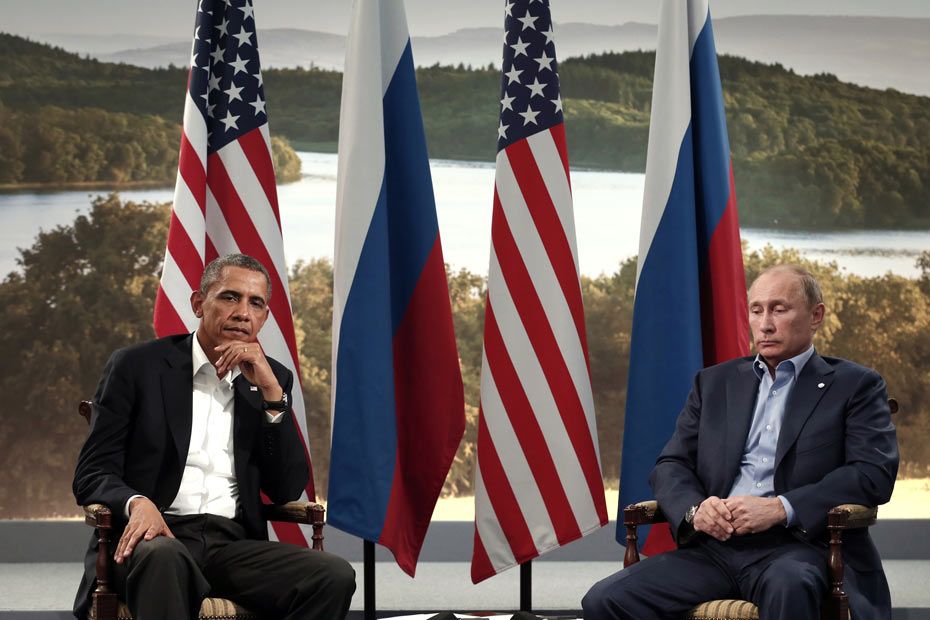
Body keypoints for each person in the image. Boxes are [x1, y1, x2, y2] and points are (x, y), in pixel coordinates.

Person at [583, 264, 899, 620]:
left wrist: (781, 507)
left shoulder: (855, 385)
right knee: (605, 599)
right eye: (756, 310)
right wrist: (696, 509)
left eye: (779, 309)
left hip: (800, 547)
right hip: (715, 548)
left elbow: (872, 473)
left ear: (816, 316)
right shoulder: (714, 383)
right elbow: (672, 464)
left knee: (790, 585)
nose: (765, 324)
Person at [73, 253, 355, 620]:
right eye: (230, 297)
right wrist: (137, 503)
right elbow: (92, 473)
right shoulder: (137, 366)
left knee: (332, 575)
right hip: (153, 538)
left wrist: (272, 397)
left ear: (264, 317)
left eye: (256, 303)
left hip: (231, 546)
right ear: (198, 304)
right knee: (164, 556)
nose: (243, 313)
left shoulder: (272, 379)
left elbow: (286, 487)